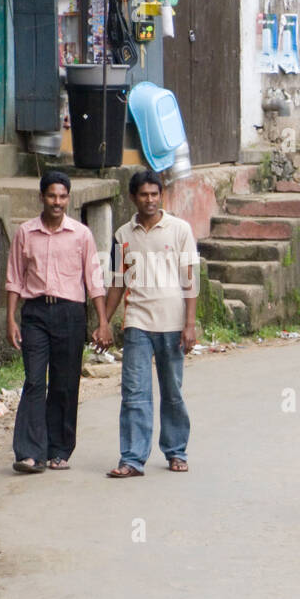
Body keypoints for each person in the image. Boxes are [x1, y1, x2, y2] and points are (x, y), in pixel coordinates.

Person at [5, 171, 107, 473]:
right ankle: (29, 452)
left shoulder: (81, 234)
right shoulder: (25, 232)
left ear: (68, 199)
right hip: (35, 313)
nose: (57, 202)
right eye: (52, 196)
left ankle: (59, 449)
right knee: (35, 381)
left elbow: (94, 280)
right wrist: (11, 318)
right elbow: (14, 277)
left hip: (70, 314)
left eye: (63, 196)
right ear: (42, 197)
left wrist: (102, 321)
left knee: (64, 383)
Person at [101, 170, 199, 478]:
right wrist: (104, 320)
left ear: (162, 195)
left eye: (154, 194)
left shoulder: (180, 229)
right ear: (133, 198)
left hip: (172, 322)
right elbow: (117, 281)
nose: (150, 200)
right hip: (137, 321)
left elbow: (190, 278)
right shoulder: (122, 234)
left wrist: (190, 323)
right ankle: (132, 458)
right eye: (144, 194)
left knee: (172, 392)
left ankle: (176, 451)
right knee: (134, 392)